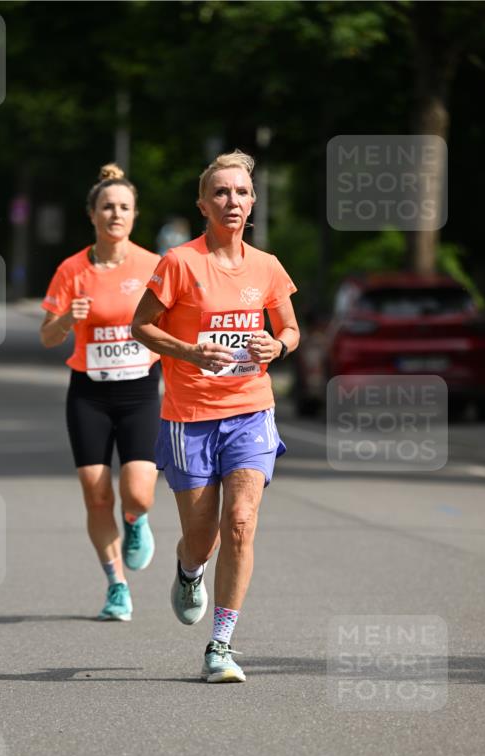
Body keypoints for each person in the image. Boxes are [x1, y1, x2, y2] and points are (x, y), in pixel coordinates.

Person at [132, 150, 300, 682]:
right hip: (189, 416)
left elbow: (291, 330)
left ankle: (221, 645)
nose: (233, 201)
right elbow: (142, 327)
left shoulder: (267, 266)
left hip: (251, 408)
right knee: (201, 535)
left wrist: (277, 345)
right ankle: (188, 572)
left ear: (253, 203)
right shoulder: (180, 262)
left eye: (242, 193)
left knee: (242, 523)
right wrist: (190, 352)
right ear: (203, 204)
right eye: (222, 193)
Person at [40, 164, 161, 622]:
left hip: (140, 391)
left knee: (139, 494)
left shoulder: (153, 265)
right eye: (107, 206)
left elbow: (174, 325)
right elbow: (48, 337)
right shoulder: (72, 269)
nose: (116, 214)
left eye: (124, 207)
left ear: (134, 216)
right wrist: (68, 317)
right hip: (89, 392)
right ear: (92, 215)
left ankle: (136, 522)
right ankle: (116, 586)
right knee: (95, 494)